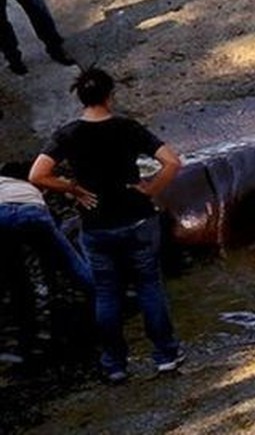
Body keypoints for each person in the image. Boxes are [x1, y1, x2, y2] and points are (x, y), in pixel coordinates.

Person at [29, 67, 183, 383]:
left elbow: (37, 175)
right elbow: (173, 161)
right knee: (149, 286)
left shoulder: (68, 134)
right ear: (110, 96)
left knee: (107, 293)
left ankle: (114, 364)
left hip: (96, 224)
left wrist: (72, 188)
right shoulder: (127, 128)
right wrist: (151, 188)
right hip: (137, 217)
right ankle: (166, 356)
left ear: (81, 99)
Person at [0, 164, 93, 363]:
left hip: (2, 216)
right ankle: (102, 299)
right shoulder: (31, 187)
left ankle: (24, 336)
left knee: (15, 277)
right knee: (72, 265)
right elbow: (56, 222)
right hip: (35, 213)